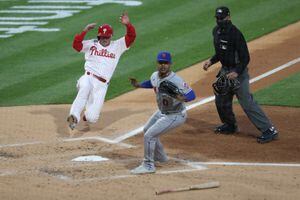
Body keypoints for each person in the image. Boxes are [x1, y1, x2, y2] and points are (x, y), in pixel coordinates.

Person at [203, 6, 278, 143]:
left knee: (246, 103)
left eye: (222, 18)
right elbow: (221, 52)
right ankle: (230, 125)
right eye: (218, 18)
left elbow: (245, 58)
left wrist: (237, 72)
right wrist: (211, 61)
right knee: (221, 99)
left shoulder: (236, 34)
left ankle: (268, 130)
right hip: (225, 71)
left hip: (239, 73)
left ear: (228, 17)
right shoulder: (216, 32)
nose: (220, 20)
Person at [129, 51, 196, 174]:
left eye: (166, 63)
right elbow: (152, 82)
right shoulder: (155, 75)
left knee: (149, 135)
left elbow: (192, 95)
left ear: (170, 64)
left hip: (175, 115)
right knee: (147, 129)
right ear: (157, 63)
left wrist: (181, 97)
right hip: (162, 112)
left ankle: (148, 165)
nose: (163, 65)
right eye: (161, 63)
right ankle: (161, 157)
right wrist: (139, 85)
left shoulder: (176, 80)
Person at [67, 12, 136, 130]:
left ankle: (86, 116)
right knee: (85, 88)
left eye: (106, 37)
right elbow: (76, 45)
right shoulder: (92, 44)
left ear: (111, 36)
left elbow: (131, 37)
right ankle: (74, 117)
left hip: (102, 85)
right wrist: (84, 31)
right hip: (87, 77)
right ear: (99, 36)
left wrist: (128, 24)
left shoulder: (118, 46)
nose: (104, 39)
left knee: (92, 118)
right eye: (102, 37)